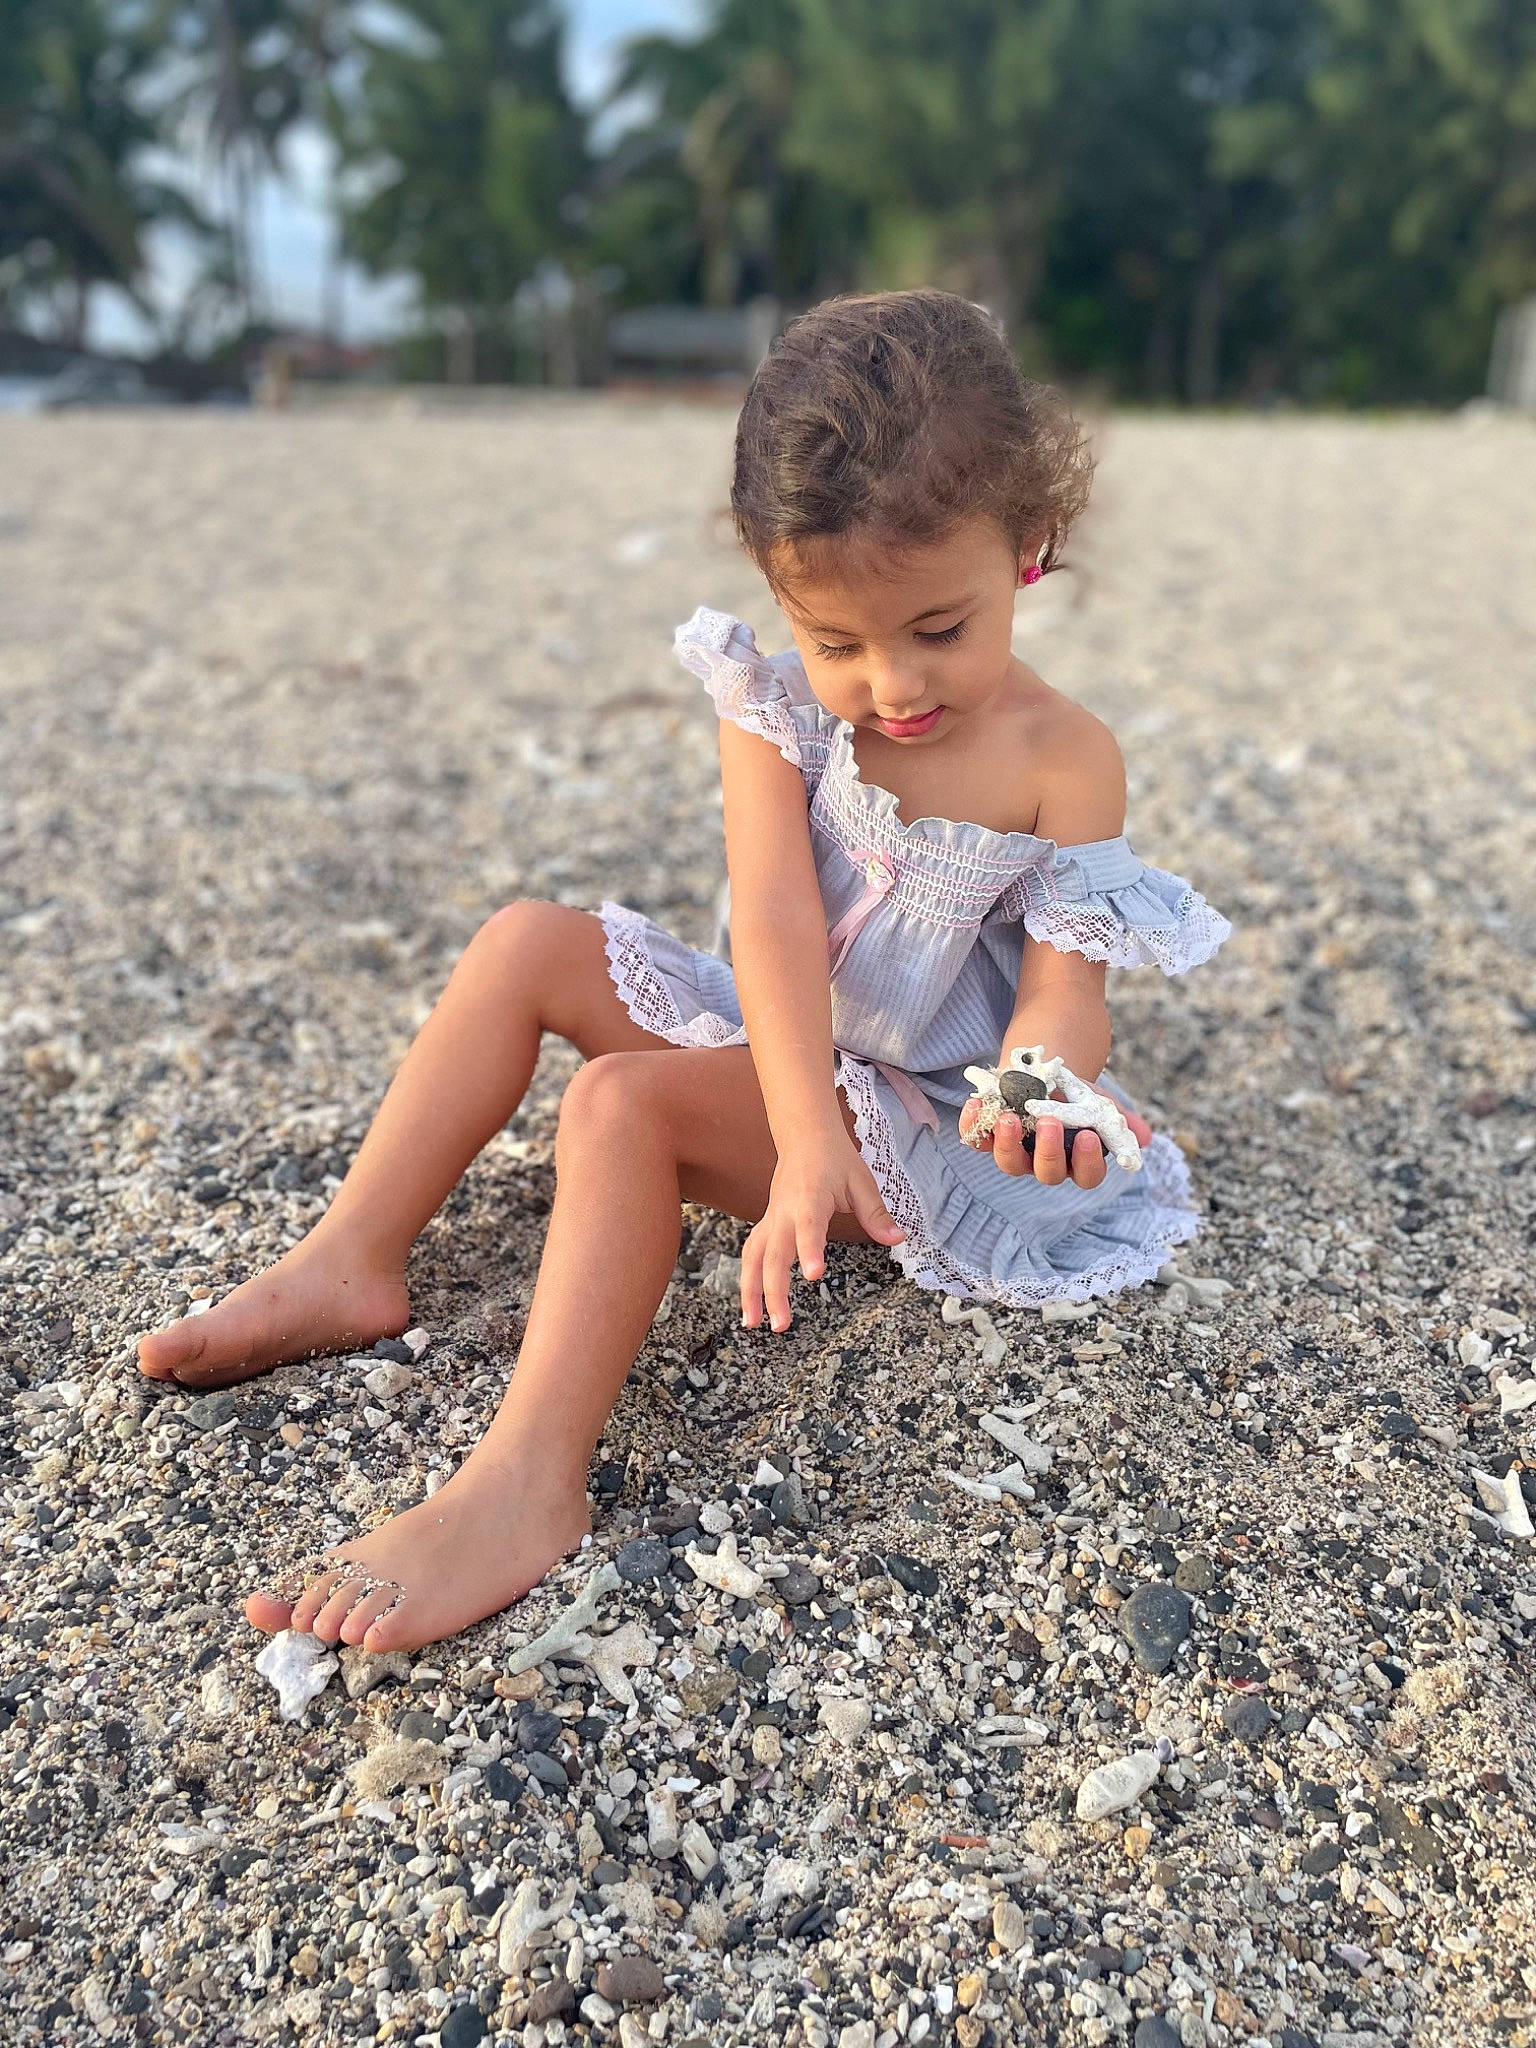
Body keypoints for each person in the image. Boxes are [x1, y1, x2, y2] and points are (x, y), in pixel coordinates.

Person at [134, 289, 1231, 1655]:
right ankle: (351, 1258)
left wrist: (1038, 1083)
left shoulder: (1062, 757)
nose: (890, 683)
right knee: (525, 940)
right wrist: (793, 1129)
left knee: (619, 1111)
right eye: (838, 640)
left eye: (938, 628)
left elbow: (1068, 987)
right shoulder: (773, 707)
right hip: (783, 1044)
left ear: (1029, 547)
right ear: (781, 592)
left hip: (926, 1112)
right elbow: (768, 921)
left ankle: (527, 1483)